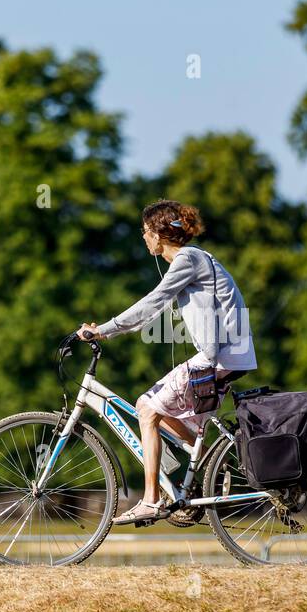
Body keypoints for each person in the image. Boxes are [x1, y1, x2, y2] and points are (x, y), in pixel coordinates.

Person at [76, 199, 257, 524]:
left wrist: (102, 331)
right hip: (229, 356)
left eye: (145, 232)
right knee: (162, 416)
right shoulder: (193, 260)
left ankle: (151, 500)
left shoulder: (188, 259)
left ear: (158, 234)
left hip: (218, 357)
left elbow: (153, 303)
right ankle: (216, 466)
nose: (144, 238)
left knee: (145, 408)